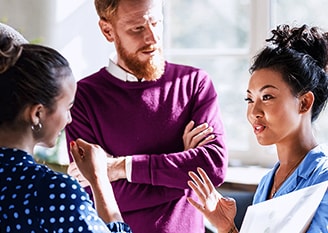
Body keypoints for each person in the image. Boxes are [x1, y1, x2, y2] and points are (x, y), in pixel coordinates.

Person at [64, 0, 228, 232]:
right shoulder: (81, 98)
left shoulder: (193, 84)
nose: (152, 38)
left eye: (156, 22)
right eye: (137, 28)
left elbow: (212, 168)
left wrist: (119, 167)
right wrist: (182, 170)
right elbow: (95, 194)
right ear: (107, 30)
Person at [187, 24, 328, 233]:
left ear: (304, 103)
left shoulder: (323, 181)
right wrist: (227, 228)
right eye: (249, 99)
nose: (254, 111)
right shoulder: (267, 183)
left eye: (267, 97)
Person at [0, 27, 132, 232]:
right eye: (68, 107)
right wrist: (99, 180)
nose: (69, 119)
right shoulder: (50, 191)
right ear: (37, 114)